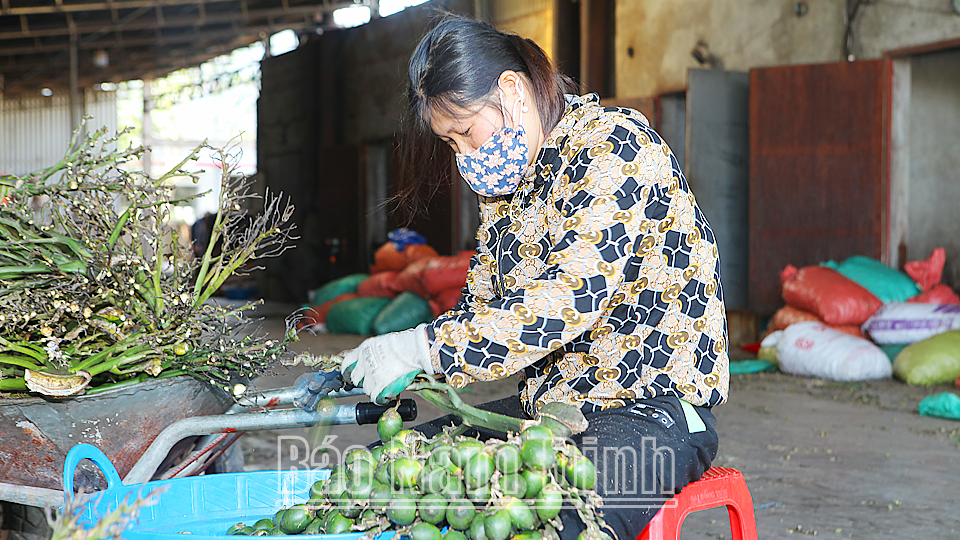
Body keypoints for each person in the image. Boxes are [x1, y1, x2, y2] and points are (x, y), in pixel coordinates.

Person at [296, 15, 729, 540]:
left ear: (511, 90)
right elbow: (482, 310)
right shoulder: (510, 193)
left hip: (647, 412)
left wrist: (424, 348)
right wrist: (392, 355)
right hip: (550, 412)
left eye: (465, 132)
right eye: (450, 144)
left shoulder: (615, 149)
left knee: (544, 521)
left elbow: (564, 302)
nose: (463, 156)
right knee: (381, 474)